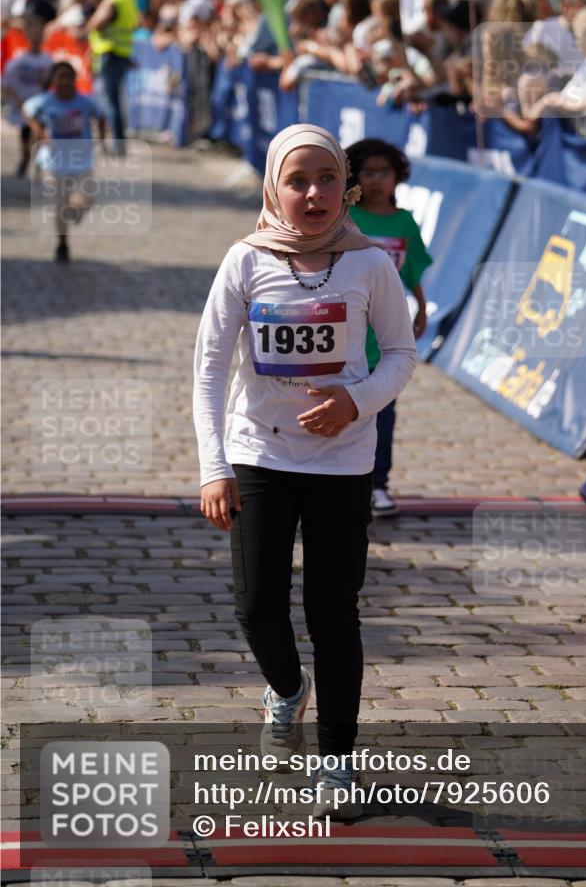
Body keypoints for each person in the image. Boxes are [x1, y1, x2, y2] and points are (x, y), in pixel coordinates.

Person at [193, 124, 416, 819]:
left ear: (345, 187)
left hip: (342, 462)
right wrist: (212, 467)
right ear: (272, 189)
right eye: (297, 181)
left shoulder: (369, 263)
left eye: (326, 179)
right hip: (259, 452)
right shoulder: (243, 260)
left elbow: (402, 354)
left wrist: (357, 400)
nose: (313, 194)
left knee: (333, 614)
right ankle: (286, 689)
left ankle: (337, 764)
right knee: (257, 607)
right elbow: (207, 369)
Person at [346, 139, 432, 518]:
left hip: (386, 331)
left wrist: (422, 307)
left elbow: (412, 269)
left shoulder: (405, 222)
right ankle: (343, 481)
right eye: (368, 172)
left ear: (398, 177)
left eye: (385, 172)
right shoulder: (344, 218)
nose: (377, 180)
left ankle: (377, 485)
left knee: (383, 410)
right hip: (347, 328)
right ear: (354, 177)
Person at [22, 61, 106, 263]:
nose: (65, 82)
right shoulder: (45, 100)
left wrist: (101, 140)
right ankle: (62, 244)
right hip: (55, 162)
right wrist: (40, 133)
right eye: (60, 77)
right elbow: (27, 111)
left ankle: (75, 210)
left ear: (74, 80)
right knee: (60, 204)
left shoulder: (85, 102)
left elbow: (101, 116)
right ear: (53, 81)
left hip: (81, 159)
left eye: (69, 77)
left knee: (88, 198)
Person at [83, 0, 138, 154]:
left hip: (110, 53)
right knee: (115, 100)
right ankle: (119, 143)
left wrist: (89, 24)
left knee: (109, 101)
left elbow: (96, 24)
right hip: (122, 54)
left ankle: (115, 144)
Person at [1, 15, 52, 176]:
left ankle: (38, 168)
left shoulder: (47, 60)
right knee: (25, 135)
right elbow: (6, 84)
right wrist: (18, 100)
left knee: (39, 135)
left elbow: (51, 83)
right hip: (24, 106)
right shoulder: (19, 60)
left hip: (41, 107)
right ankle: (24, 159)